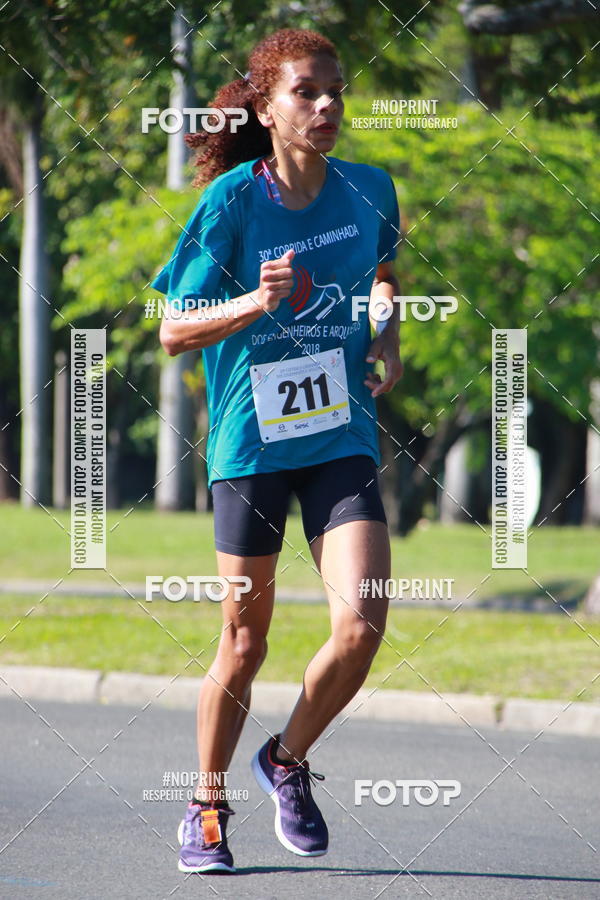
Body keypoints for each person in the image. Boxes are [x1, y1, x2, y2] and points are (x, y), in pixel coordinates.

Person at [153, 26, 403, 874]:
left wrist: (387, 334)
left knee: (363, 620)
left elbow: (383, 273)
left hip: (340, 435)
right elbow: (172, 331)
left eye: (335, 90)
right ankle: (206, 805)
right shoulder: (230, 203)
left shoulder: (373, 190)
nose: (327, 104)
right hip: (251, 441)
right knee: (244, 641)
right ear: (266, 107)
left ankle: (287, 761)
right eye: (306, 91)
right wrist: (253, 306)